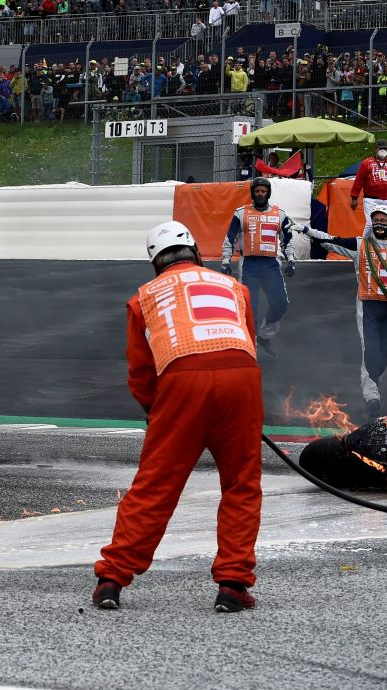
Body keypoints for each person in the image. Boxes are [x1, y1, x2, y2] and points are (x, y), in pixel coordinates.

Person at [92, 221, 263, 614]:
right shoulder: (236, 287)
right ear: (195, 254)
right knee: (241, 483)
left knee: (155, 485)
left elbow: (140, 372)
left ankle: (112, 579)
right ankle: (233, 584)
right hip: (241, 377)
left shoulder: (143, 298)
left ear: (156, 262)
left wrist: (159, 415)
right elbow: (248, 342)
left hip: (181, 381)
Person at [297, 207, 387, 418]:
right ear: (371, 223)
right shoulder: (360, 245)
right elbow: (332, 241)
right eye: (376, 220)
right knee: (370, 349)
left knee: (384, 352)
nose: (380, 223)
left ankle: (374, 381)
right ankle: (371, 397)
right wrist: (307, 230)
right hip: (367, 305)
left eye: (384, 220)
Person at [220, 177, 305, 356]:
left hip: (271, 264)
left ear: (268, 193)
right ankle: (250, 349)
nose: (260, 194)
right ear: (253, 193)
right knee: (250, 308)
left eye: (263, 191)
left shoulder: (280, 214)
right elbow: (229, 238)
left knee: (281, 304)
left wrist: (291, 260)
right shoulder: (240, 213)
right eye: (257, 191)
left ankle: (265, 336)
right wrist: (225, 261)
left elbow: (287, 240)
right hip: (249, 264)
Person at [350, 139, 387, 236]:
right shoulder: (367, 163)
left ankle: (386, 245)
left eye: (385, 148)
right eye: (380, 148)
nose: (383, 150)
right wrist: (354, 197)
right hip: (371, 200)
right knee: (370, 224)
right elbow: (359, 180)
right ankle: (365, 245)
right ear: (375, 149)